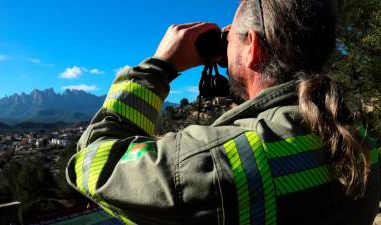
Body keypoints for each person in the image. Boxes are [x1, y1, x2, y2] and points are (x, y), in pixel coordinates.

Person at [66, 0, 380, 224]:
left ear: (253, 47)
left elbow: (93, 164)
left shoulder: (216, 163)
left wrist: (158, 68)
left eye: (229, 38)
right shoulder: (361, 140)